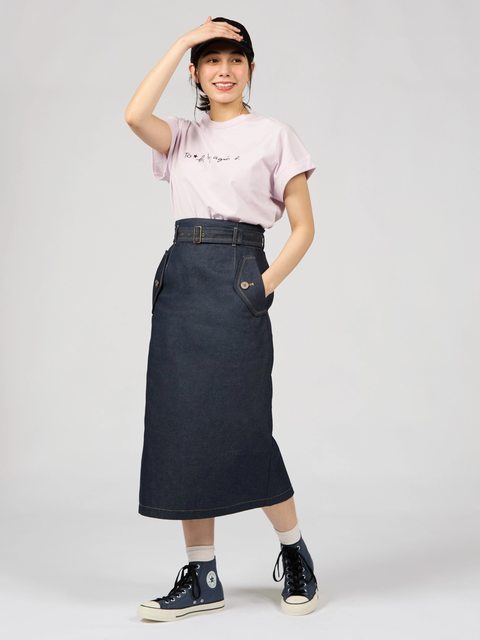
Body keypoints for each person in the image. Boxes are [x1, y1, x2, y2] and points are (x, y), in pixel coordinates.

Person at [125, 16, 319, 622]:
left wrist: (261, 286)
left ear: (250, 69)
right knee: (183, 426)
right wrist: (181, 40)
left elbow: (304, 227)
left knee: (244, 426)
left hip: (238, 273)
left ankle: (294, 552)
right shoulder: (180, 135)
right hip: (183, 278)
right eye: (211, 60)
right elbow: (133, 115)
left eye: (235, 60)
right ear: (195, 73)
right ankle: (202, 575)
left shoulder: (274, 135)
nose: (224, 70)